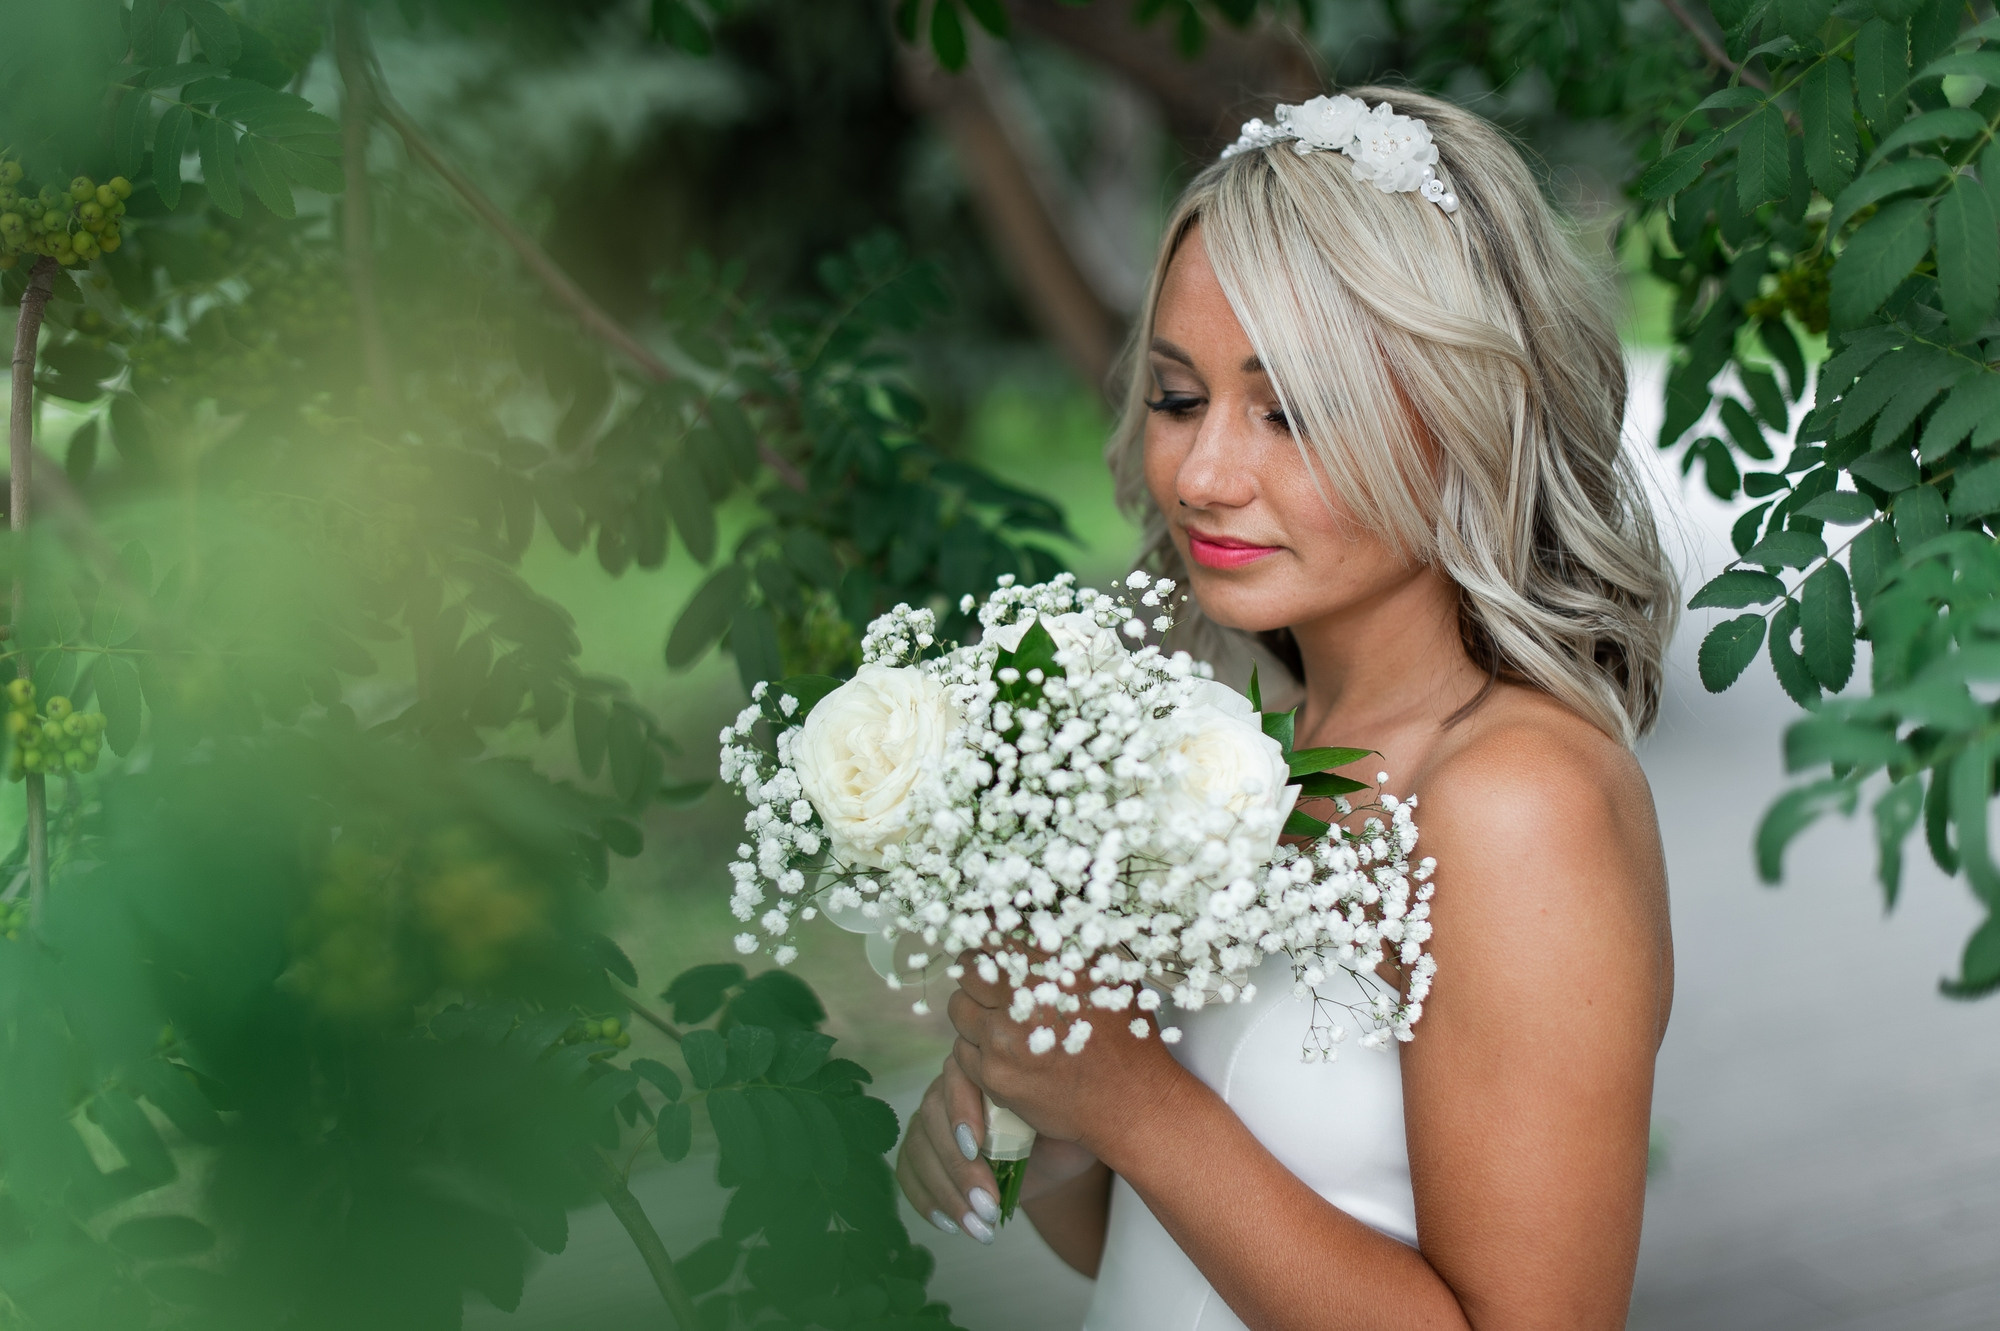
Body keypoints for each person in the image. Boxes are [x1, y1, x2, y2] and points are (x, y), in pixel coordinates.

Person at [894, 85, 1677, 1330]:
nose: (1202, 474)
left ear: (1457, 411)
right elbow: (1177, 1255)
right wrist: (1054, 1129)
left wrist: (1135, 1102)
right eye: (1176, 396)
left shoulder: (1519, 803)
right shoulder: (1238, 746)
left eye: (1288, 411)